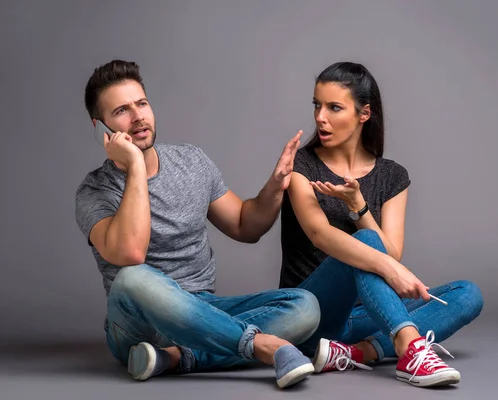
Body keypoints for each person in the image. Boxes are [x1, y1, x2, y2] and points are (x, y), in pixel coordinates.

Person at [75, 59, 321, 389]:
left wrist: (276, 186)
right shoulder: (94, 191)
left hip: (204, 311)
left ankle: (177, 357)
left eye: (142, 104)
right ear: (100, 127)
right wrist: (134, 164)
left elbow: (244, 225)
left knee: (304, 306)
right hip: (137, 324)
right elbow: (131, 253)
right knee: (132, 278)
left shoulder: (191, 161)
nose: (138, 117)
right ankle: (262, 345)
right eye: (122, 111)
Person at [279, 61, 484, 387]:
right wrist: (387, 268)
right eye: (317, 105)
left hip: (367, 315)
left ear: (364, 114)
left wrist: (358, 205)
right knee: (367, 243)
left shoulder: (391, 175)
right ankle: (409, 348)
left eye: (334, 107)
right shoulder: (302, 164)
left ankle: (354, 354)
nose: (321, 117)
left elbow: (393, 252)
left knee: (468, 294)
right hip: (312, 312)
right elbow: (320, 234)